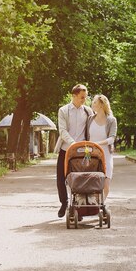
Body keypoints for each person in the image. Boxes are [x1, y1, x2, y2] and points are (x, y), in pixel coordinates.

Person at [54, 84, 92, 217]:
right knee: (60, 178)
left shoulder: (88, 111)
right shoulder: (63, 110)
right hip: (66, 149)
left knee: (80, 180)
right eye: (82, 97)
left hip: (83, 152)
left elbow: (92, 129)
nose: (84, 100)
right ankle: (64, 203)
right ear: (74, 96)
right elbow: (62, 130)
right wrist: (73, 144)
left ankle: (78, 207)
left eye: (85, 97)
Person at [87, 94, 117, 201]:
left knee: (106, 186)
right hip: (91, 155)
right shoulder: (90, 119)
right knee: (92, 184)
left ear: (101, 105)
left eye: (94, 102)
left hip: (106, 155)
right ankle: (94, 205)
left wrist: (97, 144)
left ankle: (101, 204)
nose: (92, 104)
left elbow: (111, 139)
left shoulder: (111, 120)